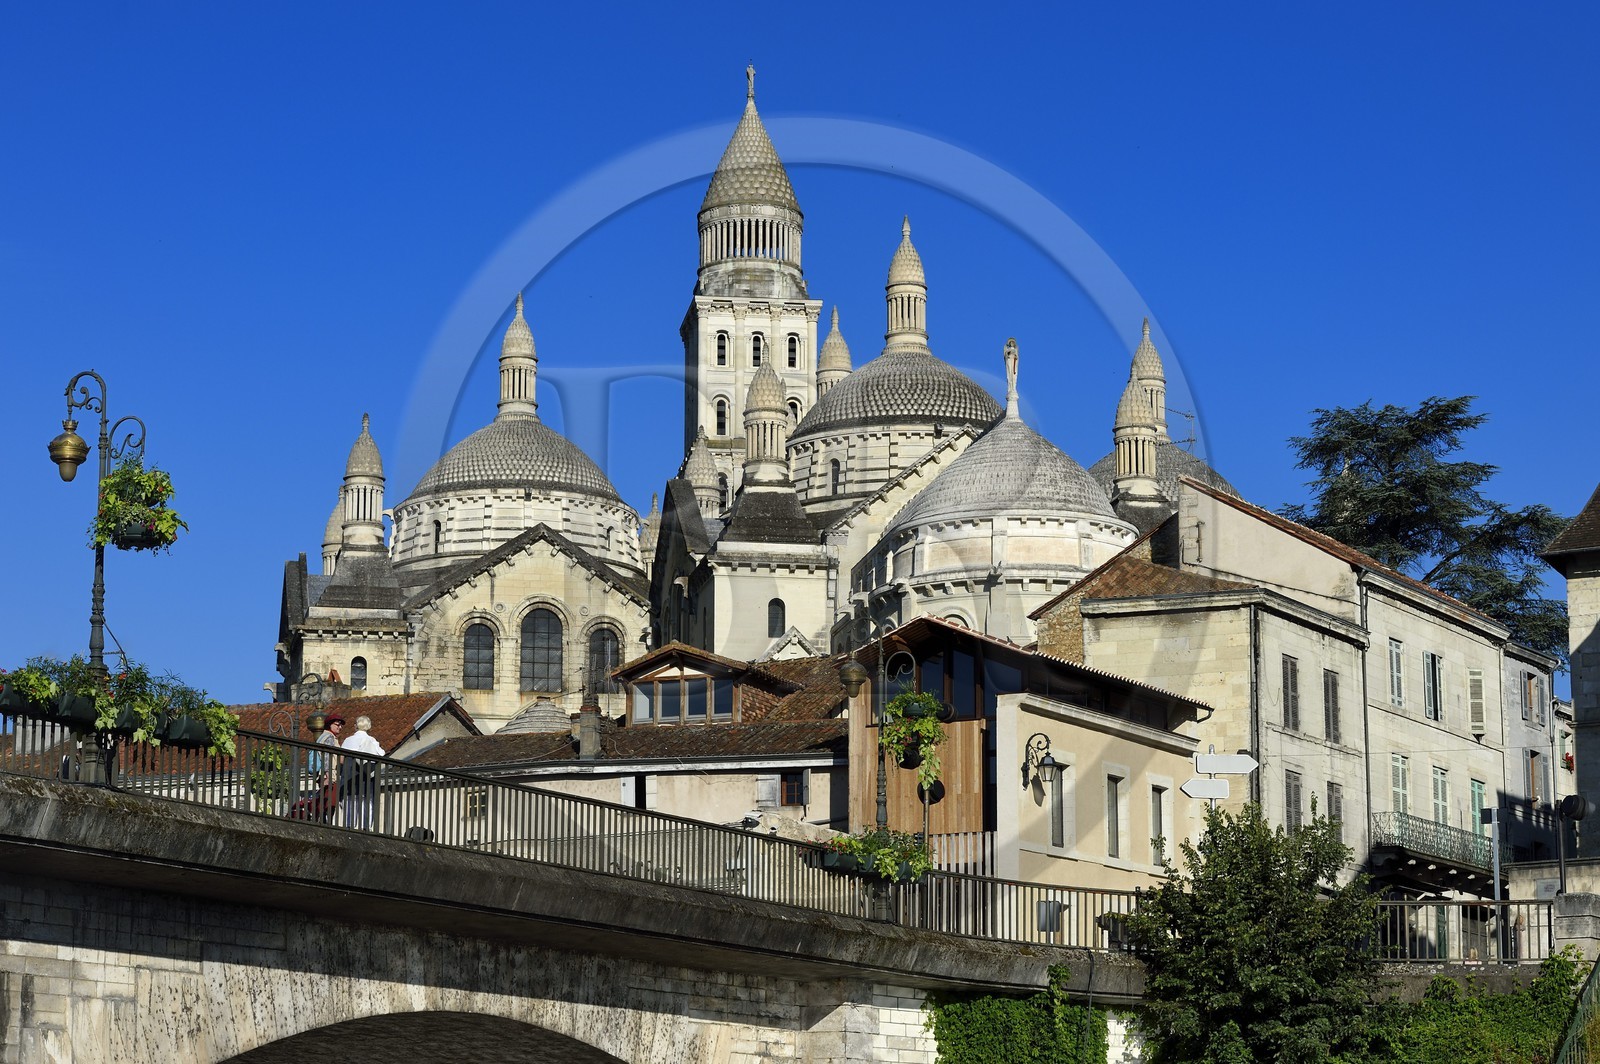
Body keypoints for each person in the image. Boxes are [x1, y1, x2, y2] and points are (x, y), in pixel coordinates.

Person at [340, 715, 386, 829]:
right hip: (366, 773)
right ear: (368, 726)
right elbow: (382, 753)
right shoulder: (372, 740)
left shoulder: (348, 740)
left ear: (356, 726)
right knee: (367, 800)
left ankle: (349, 825)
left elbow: (341, 758)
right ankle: (366, 826)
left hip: (350, 773)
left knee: (350, 800)